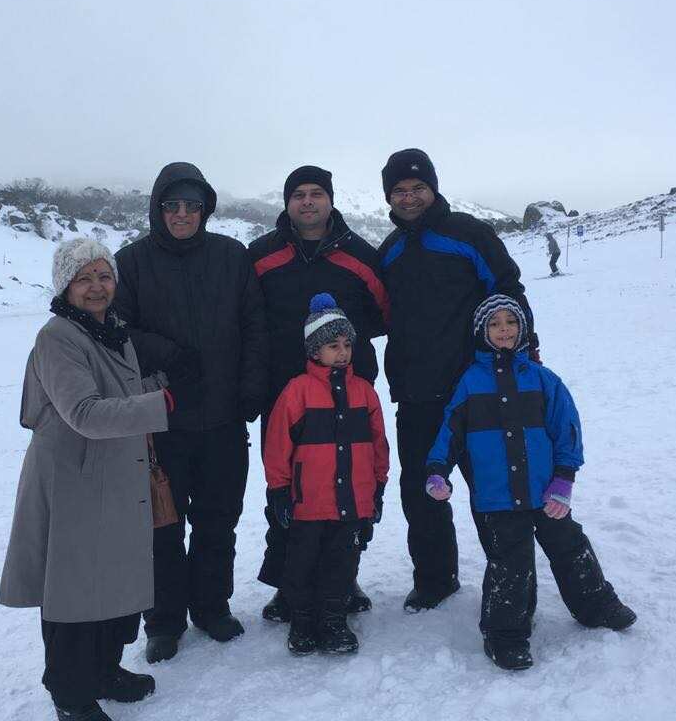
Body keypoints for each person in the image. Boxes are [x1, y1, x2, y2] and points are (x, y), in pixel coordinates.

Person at [0, 238, 197, 721]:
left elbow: (115, 391)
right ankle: (70, 695)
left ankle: (105, 670)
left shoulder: (112, 333)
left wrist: (156, 386)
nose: (96, 287)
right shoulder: (59, 336)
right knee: (73, 594)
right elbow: (84, 412)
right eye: (83, 278)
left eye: (103, 276)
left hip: (113, 477)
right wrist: (159, 405)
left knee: (112, 583)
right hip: (73, 481)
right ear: (65, 286)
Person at [424, 294, 636, 670]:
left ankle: (596, 605)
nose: (504, 330)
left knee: (570, 546)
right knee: (510, 563)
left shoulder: (543, 379)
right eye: (494, 324)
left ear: (523, 328)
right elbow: (450, 431)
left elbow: (567, 430)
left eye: (511, 322)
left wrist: (563, 480)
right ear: (481, 332)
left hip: (544, 492)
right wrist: (437, 469)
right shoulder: (471, 383)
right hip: (496, 497)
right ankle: (504, 635)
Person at [114, 162, 269, 663]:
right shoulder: (131, 263)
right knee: (162, 525)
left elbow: (254, 326)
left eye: (192, 206)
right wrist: (167, 353)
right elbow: (117, 329)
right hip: (161, 420)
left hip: (223, 417)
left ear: (206, 210)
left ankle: (211, 605)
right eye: (172, 205)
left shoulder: (231, 256)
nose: (182, 214)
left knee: (217, 519)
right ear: (158, 209)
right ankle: (163, 621)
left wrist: (250, 391)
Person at [378, 147, 539, 612]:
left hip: (478, 388)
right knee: (421, 490)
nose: (409, 198)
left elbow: (508, 290)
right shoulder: (389, 251)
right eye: (399, 191)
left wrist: (519, 352)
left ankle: (509, 579)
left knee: (493, 486)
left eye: (418, 188)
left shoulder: (468, 234)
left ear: (433, 188)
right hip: (416, 393)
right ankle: (435, 578)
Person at [248, 165, 388, 622]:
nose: (307, 202)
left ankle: (341, 577)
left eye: (316, 194)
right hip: (283, 395)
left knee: (344, 487)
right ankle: (289, 586)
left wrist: (349, 353)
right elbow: (243, 318)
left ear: (330, 200)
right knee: (288, 490)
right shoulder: (262, 256)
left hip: (346, 394)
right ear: (287, 203)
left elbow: (385, 312)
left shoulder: (360, 255)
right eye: (298, 195)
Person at [263, 294, 389, 655]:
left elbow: (378, 443)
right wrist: (280, 491)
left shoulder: (364, 392)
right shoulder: (297, 391)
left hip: (352, 500)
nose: (343, 352)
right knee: (301, 564)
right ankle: (303, 621)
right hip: (309, 501)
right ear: (314, 350)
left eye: (348, 344)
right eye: (333, 345)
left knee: (342, 563)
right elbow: (278, 446)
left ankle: (334, 621)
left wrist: (377, 487)